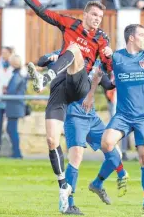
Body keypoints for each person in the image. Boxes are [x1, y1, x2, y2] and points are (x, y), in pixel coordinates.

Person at [7, 0, 113, 213]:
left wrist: (108, 55)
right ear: (85, 14)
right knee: (52, 140)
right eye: (94, 15)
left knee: (74, 50)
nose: (97, 20)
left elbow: (106, 67)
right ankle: (64, 187)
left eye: (101, 17)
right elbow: (43, 12)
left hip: (79, 84)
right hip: (60, 89)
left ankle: (45, 77)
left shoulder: (101, 38)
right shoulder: (70, 24)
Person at [85, 24, 144, 217]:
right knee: (106, 143)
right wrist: (91, 94)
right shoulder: (117, 57)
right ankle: (111, 177)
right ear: (131, 38)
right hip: (123, 115)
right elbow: (99, 74)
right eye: (141, 35)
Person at [38, 53, 129, 215]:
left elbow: (108, 85)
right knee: (76, 157)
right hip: (74, 116)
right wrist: (50, 58)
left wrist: (119, 77)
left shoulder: (97, 62)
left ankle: (97, 184)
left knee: (115, 152)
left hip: (91, 117)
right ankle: (68, 204)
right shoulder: (67, 56)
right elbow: (41, 60)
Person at [4, 54, 27, 159]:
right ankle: (16, 152)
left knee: (12, 129)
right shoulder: (17, 74)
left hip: (15, 107)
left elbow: (12, 90)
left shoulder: (17, 75)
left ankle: (17, 153)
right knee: (11, 129)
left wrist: (5, 91)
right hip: (14, 106)